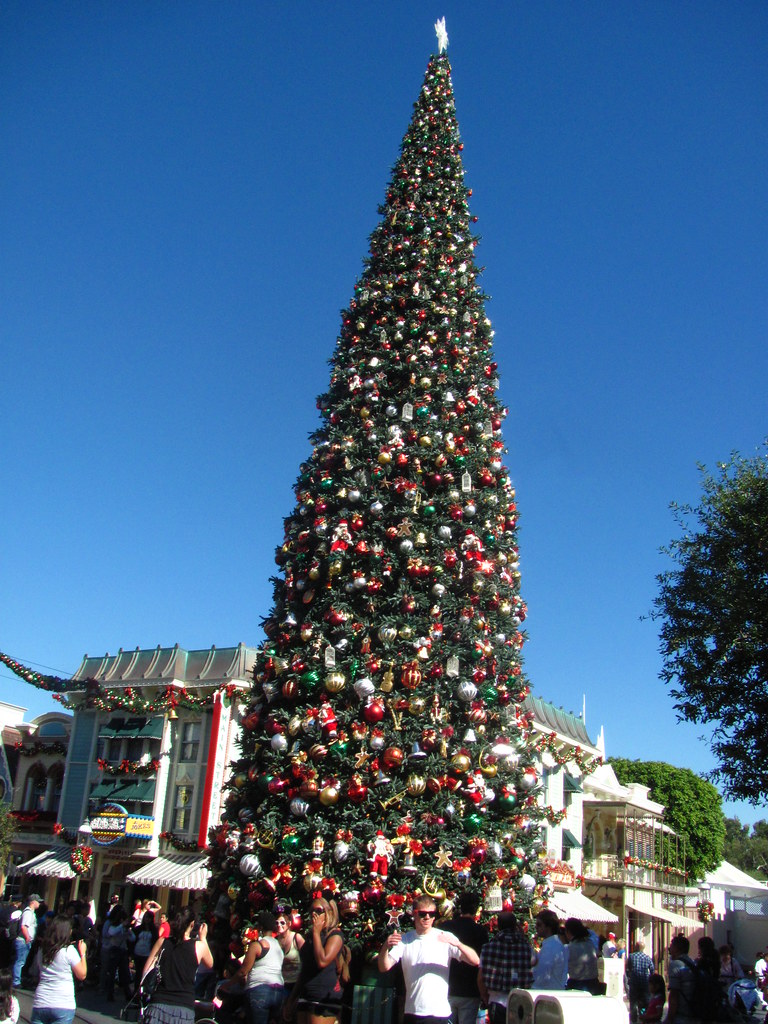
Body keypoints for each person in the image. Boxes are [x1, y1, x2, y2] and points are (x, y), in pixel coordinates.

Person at [378, 894, 479, 1024]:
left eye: (431, 914)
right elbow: (384, 966)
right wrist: (386, 946)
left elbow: (475, 961)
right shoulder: (405, 940)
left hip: (438, 1013)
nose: (427, 917)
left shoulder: (445, 937)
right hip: (413, 1013)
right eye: (422, 914)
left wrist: (458, 944)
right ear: (414, 914)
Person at [141, 908, 213, 1024]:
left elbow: (146, 971)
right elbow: (210, 964)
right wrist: (203, 938)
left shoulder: (162, 942)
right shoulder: (199, 946)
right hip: (183, 1009)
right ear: (192, 924)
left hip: (158, 1004)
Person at [283, 897, 345, 1024]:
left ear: (329, 913)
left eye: (318, 910)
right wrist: (291, 999)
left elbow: (322, 961)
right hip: (306, 995)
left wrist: (316, 933)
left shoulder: (335, 936)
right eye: (311, 910)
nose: (314, 914)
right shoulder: (311, 938)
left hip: (323, 997)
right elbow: (304, 971)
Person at [30, 914, 87, 1024]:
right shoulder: (68, 951)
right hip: (63, 1003)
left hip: (41, 1001)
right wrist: (83, 954)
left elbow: (39, 970)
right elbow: (82, 975)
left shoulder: (42, 950)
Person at [477, 912, 533, 1024]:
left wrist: (484, 996)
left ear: (498, 925)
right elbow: (533, 967)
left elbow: (480, 978)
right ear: (514, 925)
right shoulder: (526, 947)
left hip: (496, 1001)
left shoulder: (488, 947)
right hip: (520, 1002)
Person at [442, 893, 488, 1024]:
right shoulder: (480, 931)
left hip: (448, 987)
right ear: (476, 909)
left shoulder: (446, 927)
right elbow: (481, 961)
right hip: (470, 990)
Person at [234, 911, 285, 1024]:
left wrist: (228, 985)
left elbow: (243, 971)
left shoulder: (257, 945)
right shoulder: (279, 946)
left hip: (259, 991)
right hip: (278, 991)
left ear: (260, 927)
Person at [530, 910, 567, 990]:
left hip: (548, 994)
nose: (536, 927)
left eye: (539, 925)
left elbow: (542, 976)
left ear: (548, 927)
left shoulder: (550, 947)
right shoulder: (555, 944)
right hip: (554, 991)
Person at [666, 935, 697, 1024]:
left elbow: (674, 994)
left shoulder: (675, 964)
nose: (669, 949)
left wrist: (669, 1018)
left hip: (681, 1015)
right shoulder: (692, 963)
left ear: (677, 948)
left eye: (671, 945)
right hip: (694, 1012)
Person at [563, 918, 599, 994]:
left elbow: (564, 969)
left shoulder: (569, 948)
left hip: (577, 985)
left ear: (568, 932)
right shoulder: (591, 944)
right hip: (594, 985)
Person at [12, 893, 41, 987]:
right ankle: (16, 981)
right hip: (23, 940)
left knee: (21, 961)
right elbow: (24, 926)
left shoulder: (31, 913)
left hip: (25, 940)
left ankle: (17, 978)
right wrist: (28, 937)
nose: (40, 904)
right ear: (33, 902)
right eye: (38, 902)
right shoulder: (28, 912)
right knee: (20, 961)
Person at [275, 910, 305, 996]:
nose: (279, 925)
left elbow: (307, 956)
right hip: (282, 983)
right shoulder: (276, 941)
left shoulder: (296, 938)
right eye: (277, 923)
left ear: (289, 924)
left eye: (282, 923)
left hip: (297, 983)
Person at [626, 939, 654, 1020]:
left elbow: (628, 969)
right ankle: (644, 1015)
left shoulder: (631, 956)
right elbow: (652, 969)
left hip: (634, 981)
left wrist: (629, 978)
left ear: (636, 947)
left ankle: (634, 1018)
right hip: (645, 981)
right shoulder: (647, 957)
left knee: (633, 1001)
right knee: (646, 1000)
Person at [132, 911, 158, 987]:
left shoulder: (154, 930)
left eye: (149, 918)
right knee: (138, 973)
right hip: (138, 952)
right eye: (146, 917)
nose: (147, 919)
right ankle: (136, 991)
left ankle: (143, 991)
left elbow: (155, 941)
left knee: (144, 973)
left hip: (147, 954)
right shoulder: (138, 929)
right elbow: (133, 939)